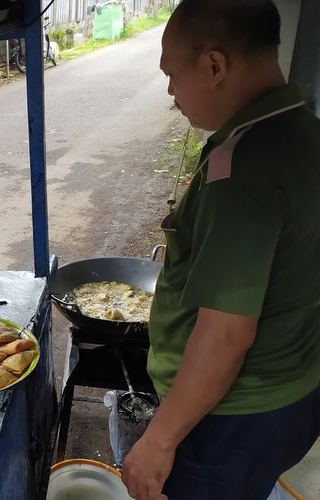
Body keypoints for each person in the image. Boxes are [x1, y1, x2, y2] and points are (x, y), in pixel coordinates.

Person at [121, 1, 320, 499]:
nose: (170, 92)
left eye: (171, 74)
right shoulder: (306, 131)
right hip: (295, 390)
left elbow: (226, 334)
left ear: (214, 66)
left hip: (232, 416)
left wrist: (159, 441)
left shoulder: (243, 168)